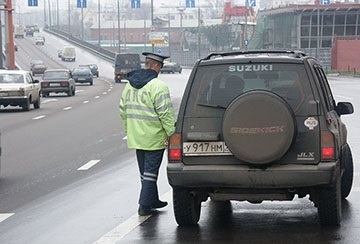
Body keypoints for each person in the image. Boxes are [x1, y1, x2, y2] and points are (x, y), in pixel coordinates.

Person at [119, 52, 176, 216]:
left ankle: (153, 200)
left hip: (136, 136)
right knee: (150, 173)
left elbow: (123, 111)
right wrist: (171, 135)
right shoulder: (158, 86)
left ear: (146, 64)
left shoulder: (129, 85)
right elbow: (165, 114)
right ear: (157, 66)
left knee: (145, 173)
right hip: (154, 137)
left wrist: (129, 130)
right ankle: (144, 205)